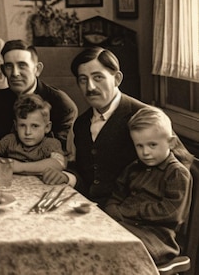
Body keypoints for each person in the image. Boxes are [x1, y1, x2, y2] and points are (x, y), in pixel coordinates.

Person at [42, 47, 147, 205]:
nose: (90, 87)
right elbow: (86, 174)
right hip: (92, 210)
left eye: (98, 77)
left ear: (117, 78)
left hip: (133, 215)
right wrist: (68, 176)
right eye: (83, 80)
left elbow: (180, 168)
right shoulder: (82, 124)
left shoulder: (144, 116)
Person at [105, 106, 193, 266]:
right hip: (128, 226)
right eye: (139, 146)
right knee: (99, 240)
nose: (145, 152)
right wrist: (112, 209)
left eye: (152, 145)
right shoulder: (133, 168)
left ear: (171, 142)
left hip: (158, 237)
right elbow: (117, 195)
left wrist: (128, 211)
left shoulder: (177, 173)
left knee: (119, 250)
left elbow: (171, 212)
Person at [0, 40, 77, 151]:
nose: (15, 73)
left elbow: (59, 152)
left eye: (22, 66)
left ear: (37, 69)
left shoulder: (61, 104)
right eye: (9, 66)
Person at [0, 94, 65, 175]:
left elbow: (59, 163)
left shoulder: (50, 144)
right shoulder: (10, 141)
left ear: (47, 127)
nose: (27, 132)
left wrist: (20, 167)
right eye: (22, 125)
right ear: (15, 126)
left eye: (34, 126)